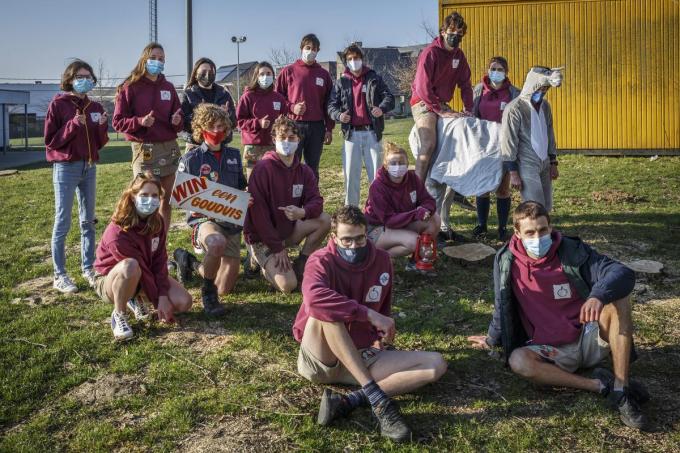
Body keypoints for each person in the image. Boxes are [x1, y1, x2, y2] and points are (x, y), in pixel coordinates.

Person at [467, 201, 649, 430]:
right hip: (551, 350)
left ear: (550, 227)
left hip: (588, 334)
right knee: (518, 361)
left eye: (542, 230)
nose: (537, 237)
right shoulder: (505, 261)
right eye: (530, 232)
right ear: (517, 233)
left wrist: (598, 296)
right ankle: (599, 385)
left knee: (618, 299)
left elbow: (621, 272)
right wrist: (492, 338)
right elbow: (501, 303)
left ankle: (621, 390)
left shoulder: (571, 250)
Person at [293, 205, 447, 442]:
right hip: (321, 358)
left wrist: (378, 336)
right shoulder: (320, 259)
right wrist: (366, 314)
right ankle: (379, 401)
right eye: (346, 240)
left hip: (361, 355)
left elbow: (382, 307)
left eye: (359, 238)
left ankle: (350, 400)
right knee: (327, 313)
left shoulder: (382, 260)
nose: (354, 246)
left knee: (435, 364)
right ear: (334, 238)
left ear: (368, 234)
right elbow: (313, 299)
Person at [94, 172, 192, 341]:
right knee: (130, 266)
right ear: (132, 197)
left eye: (155, 195)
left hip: (144, 274)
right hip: (111, 280)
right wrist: (158, 301)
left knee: (184, 302)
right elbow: (141, 269)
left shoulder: (158, 221)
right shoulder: (117, 231)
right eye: (144, 195)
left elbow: (160, 260)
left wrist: (162, 295)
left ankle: (134, 298)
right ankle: (119, 314)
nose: (150, 199)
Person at [173, 104, 247, 316]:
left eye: (222, 126)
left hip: (231, 221)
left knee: (225, 288)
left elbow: (241, 185)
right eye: (212, 126)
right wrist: (196, 207)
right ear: (201, 128)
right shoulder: (191, 159)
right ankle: (207, 293)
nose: (218, 131)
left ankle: (189, 263)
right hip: (205, 220)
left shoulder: (234, 154)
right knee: (216, 243)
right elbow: (181, 197)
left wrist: (246, 196)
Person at [243, 116, 331, 293]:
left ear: (299, 140)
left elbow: (317, 201)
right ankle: (257, 261)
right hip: (262, 238)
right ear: (274, 139)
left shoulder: (304, 170)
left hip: (288, 230)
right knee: (288, 285)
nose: (287, 142)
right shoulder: (263, 169)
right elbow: (258, 215)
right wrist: (277, 248)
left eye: (292, 138)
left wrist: (303, 211)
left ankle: (302, 262)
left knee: (325, 220)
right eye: (282, 137)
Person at [409, 12, 475, 245]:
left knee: (456, 140)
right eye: (451, 33)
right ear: (443, 32)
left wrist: (469, 109)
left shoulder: (459, 56)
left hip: (443, 103)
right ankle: (416, 189)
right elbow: (422, 87)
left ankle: (453, 193)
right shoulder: (430, 53)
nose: (455, 37)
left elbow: (465, 84)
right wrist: (440, 110)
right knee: (428, 144)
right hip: (424, 103)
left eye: (459, 35)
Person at [45, 59, 109, 293]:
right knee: (63, 221)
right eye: (79, 77)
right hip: (66, 167)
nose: (84, 80)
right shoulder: (58, 104)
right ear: (70, 79)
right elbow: (51, 141)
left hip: (89, 167)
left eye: (87, 76)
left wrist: (102, 126)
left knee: (88, 221)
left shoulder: (94, 107)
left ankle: (88, 268)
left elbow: (100, 143)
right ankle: (59, 274)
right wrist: (72, 125)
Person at [113, 42, 183, 230]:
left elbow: (179, 120)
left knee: (165, 203)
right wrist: (139, 122)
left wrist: (177, 120)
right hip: (144, 149)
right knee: (144, 201)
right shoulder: (130, 87)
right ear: (144, 59)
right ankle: (140, 241)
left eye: (161, 59)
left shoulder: (168, 87)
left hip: (169, 147)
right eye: (153, 58)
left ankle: (160, 245)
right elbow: (118, 121)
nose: (157, 62)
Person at [328, 43, 395, 207]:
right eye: (349, 59)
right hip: (351, 135)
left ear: (361, 59)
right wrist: (339, 115)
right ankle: (351, 211)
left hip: (372, 132)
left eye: (356, 58)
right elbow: (331, 106)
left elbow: (390, 98)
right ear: (346, 62)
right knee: (351, 176)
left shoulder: (373, 78)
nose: (353, 61)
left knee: (377, 176)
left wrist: (381, 108)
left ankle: (377, 209)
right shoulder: (341, 82)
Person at [364, 142, 440, 274]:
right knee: (414, 242)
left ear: (407, 163)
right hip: (377, 228)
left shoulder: (412, 178)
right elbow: (388, 220)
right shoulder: (377, 187)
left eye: (401, 163)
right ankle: (376, 258)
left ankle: (417, 261)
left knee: (435, 218)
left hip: (401, 222)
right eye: (393, 163)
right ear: (386, 166)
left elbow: (428, 200)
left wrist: (426, 210)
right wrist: (416, 214)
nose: (397, 167)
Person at [469, 56, 520, 241]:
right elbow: (472, 114)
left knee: (502, 188)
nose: (496, 72)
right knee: (482, 187)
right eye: (493, 68)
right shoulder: (478, 90)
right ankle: (482, 225)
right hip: (482, 145)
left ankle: (501, 228)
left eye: (500, 69)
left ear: (506, 72)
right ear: (488, 70)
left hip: (504, 146)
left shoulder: (514, 93)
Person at [501, 66, 562, 212]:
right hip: (526, 162)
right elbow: (508, 141)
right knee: (534, 205)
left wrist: (553, 161)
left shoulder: (545, 106)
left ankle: (545, 233)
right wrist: (513, 172)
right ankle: (531, 233)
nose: (543, 92)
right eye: (541, 88)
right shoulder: (514, 108)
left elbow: (549, 133)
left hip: (545, 161)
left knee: (546, 206)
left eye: (546, 89)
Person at [275, 33, 335, 179]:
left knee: (312, 168)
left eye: (314, 49)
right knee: (291, 164)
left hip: (317, 127)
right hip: (293, 126)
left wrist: (329, 128)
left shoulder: (323, 74)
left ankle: (312, 199)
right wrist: (291, 107)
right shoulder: (288, 71)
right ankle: (290, 199)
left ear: (318, 51)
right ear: (301, 48)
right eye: (308, 47)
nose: (310, 51)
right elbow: (277, 98)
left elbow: (330, 103)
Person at [236, 61, 289, 180]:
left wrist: (282, 122)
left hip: (273, 145)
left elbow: (286, 118)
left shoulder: (278, 98)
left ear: (273, 76)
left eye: (268, 73)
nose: (265, 76)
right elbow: (239, 121)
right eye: (262, 74)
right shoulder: (248, 96)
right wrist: (258, 123)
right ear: (256, 76)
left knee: (272, 180)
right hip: (253, 147)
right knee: (253, 181)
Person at [180, 57, 237, 152]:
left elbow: (234, 123)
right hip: (196, 146)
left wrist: (227, 115)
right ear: (195, 73)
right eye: (203, 71)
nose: (207, 74)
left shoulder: (224, 93)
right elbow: (183, 123)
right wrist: (200, 115)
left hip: (220, 146)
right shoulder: (188, 94)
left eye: (210, 71)